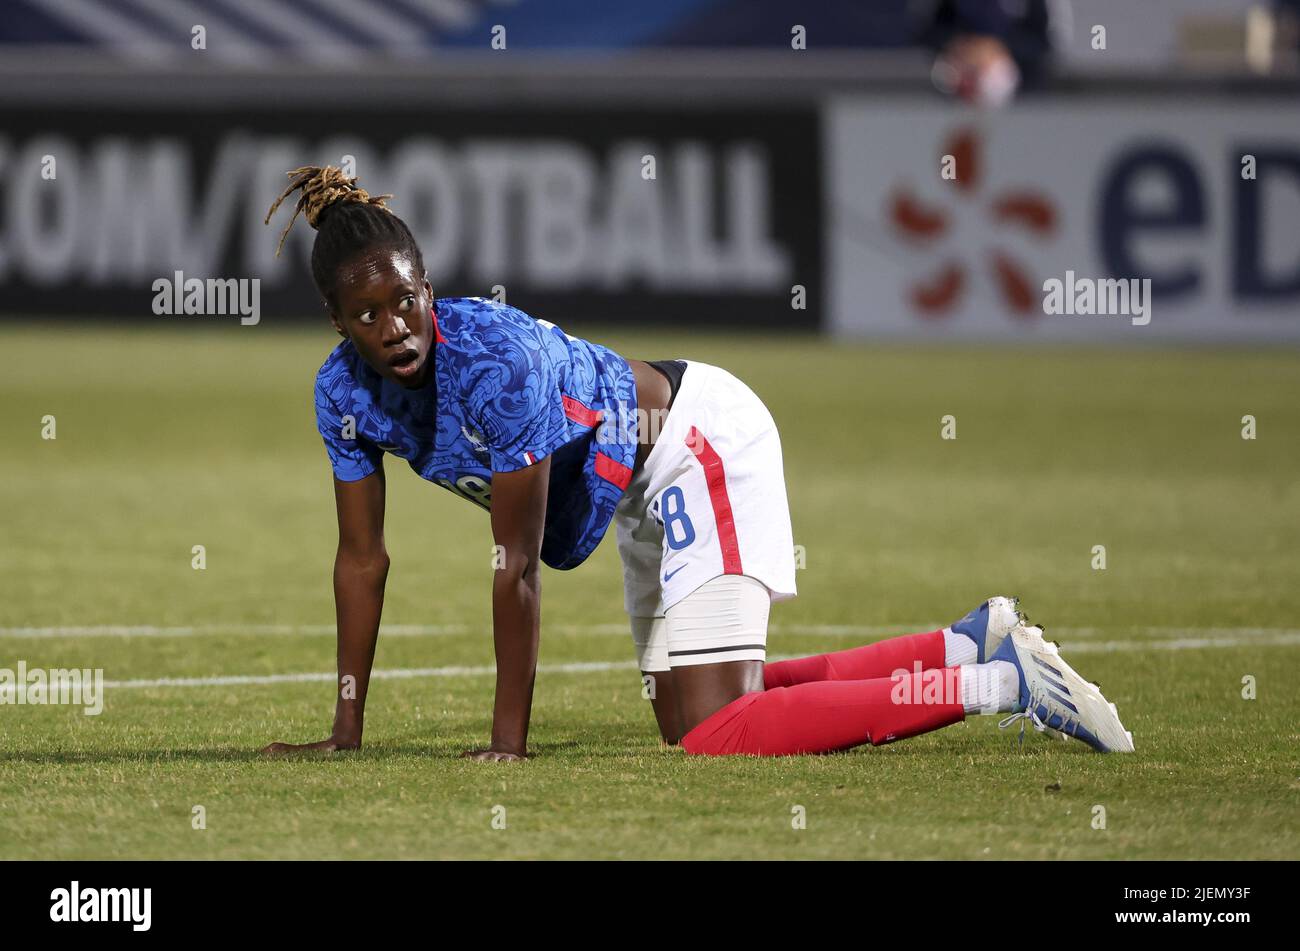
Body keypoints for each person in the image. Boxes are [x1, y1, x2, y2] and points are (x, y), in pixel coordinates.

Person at [259, 166, 1133, 760]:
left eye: (406, 298)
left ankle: (998, 681)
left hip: (694, 442)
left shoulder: (493, 362)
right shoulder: (342, 396)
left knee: (719, 728)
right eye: (367, 314)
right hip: (630, 495)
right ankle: (962, 641)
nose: (396, 326)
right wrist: (346, 728)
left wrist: (507, 745)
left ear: (428, 284)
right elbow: (361, 561)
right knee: (691, 722)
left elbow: (516, 562)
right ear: (338, 325)